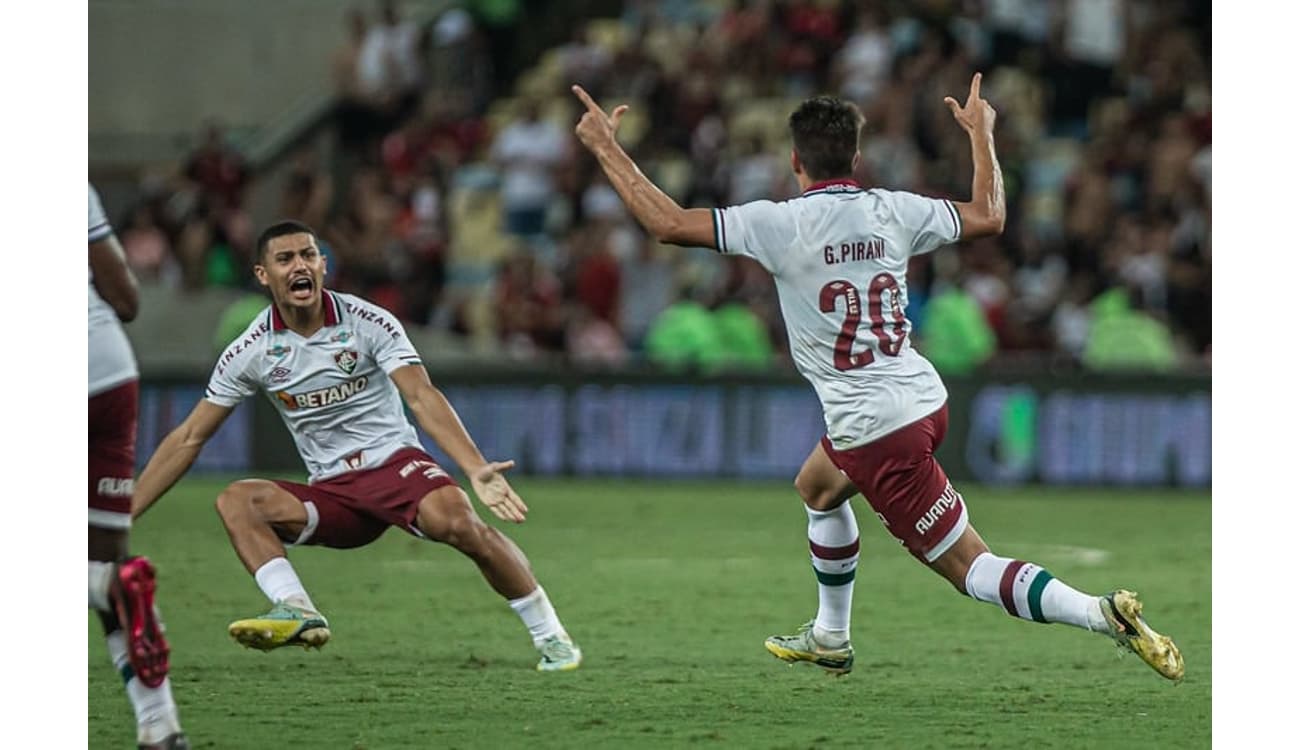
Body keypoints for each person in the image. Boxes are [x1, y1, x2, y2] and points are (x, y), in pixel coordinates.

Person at [569, 75, 1183, 681]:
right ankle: (830, 636)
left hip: (876, 429)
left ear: (794, 161)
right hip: (920, 396)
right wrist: (981, 135)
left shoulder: (778, 224)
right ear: (856, 159)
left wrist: (605, 147)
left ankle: (1102, 615)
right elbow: (989, 215)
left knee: (970, 566)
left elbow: (668, 223)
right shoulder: (893, 208)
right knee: (817, 486)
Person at [129, 220, 582, 672]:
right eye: (285, 259)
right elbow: (189, 437)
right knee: (235, 500)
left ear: (323, 265)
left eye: (308, 255)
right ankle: (298, 610)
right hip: (332, 491)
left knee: (458, 523)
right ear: (263, 275)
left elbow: (421, 395)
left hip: (393, 465)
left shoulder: (367, 321)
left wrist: (474, 466)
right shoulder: (251, 349)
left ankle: (553, 638)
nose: (299, 265)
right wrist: (122, 514)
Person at [87, 183, 190, 750]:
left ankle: (106, 584)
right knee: (106, 556)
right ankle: (160, 726)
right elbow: (125, 298)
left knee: (101, 577)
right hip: (108, 371)